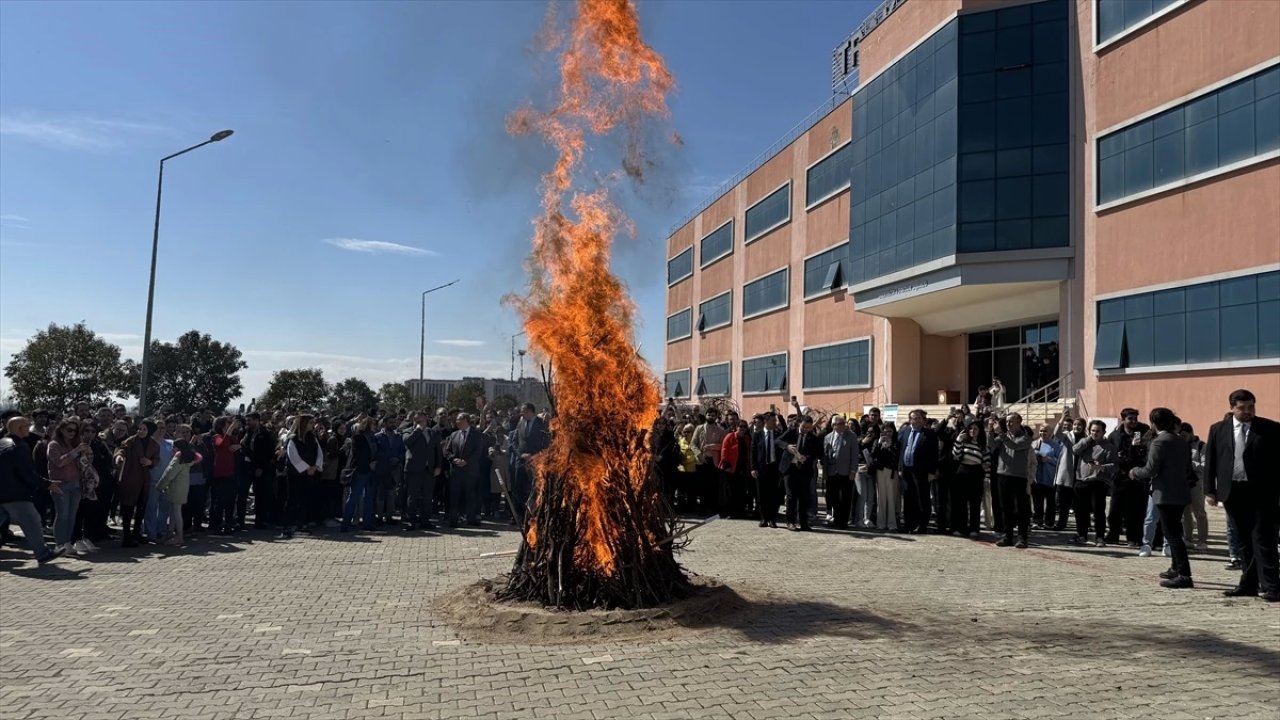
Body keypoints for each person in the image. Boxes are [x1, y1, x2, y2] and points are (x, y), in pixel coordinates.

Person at [1204, 389, 1279, 602]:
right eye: (1242, 408)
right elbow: (1211, 460)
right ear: (1232, 408)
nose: (1248, 411)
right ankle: (1248, 584)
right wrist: (1210, 490)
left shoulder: (1270, 429)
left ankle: (1273, 586)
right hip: (1233, 492)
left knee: (1263, 539)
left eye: (1251, 407)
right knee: (1243, 539)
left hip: (1262, 493)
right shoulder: (1218, 429)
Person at [1130, 408, 1195, 589]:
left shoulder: (1159, 442)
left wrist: (1135, 472)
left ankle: (1184, 574)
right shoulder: (1181, 441)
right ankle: (1175, 567)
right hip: (1181, 491)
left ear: (1153, 422)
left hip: (1165, 493)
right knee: (1174, 531)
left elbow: (1150, 470)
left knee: (1172, 534)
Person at [0, 416, 65, 565]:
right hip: (15, 494)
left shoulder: (1, 444)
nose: (29, 427)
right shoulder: (19, 446)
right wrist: (47, 484)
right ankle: (43, 554)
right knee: (32, 520)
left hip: (3, 494)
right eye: (26, 425)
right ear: (19, 429)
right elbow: (27, 472)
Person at [1107, 409, 1149, 546]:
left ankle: (1133, 538)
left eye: (1135, 418)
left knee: (1134, 510)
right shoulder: (1115, 436)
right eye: (1130, 418)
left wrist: (1139, 446)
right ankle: (1113, 534)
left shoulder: (1144, 433)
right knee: (1114, 509)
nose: (1133, 421)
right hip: (1119, 477)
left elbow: (1148, 453)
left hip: (1136, 477)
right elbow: (1109, 453)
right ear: (1123, 419)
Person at [989, 413, 1033, 548]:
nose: (1008, 424)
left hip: (1019, 476)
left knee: (1021, 509)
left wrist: (1001, 434)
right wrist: (990, 431)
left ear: (1019, 422)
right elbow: (991, 445)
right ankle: (1007, 536)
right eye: (1007, 421)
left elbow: (1014, 446)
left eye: (1011, 421)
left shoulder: (1026, 437)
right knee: (1005, 507)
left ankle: (1022, 537)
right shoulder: (1004, 436)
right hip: (1003, 475)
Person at [45, 418, 88, 555]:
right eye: (69, 430)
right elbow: (59, 462)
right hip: (60, 484)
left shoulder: (73, 444)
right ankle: (59, 544)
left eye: (74, 431)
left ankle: (67, 542)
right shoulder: (53, 444)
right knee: (62, 515)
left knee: (72, 515)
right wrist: (75, 451)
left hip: (75, 483)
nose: (72, 433)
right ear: (61, 430)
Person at [1072, 421, 1118, 546]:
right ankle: (1081, 534)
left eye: (1098, 431)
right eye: (1092, 430)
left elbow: (1114, 465)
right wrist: (1087, 439)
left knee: (1098, 511)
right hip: (1082, 480)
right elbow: (1075, 450)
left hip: (1098, 482)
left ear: (1103, 432)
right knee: (1081, 511)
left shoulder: (1109, 447)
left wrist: (1101, 467)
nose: (1095, 433)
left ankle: (1099, 537)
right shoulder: (1085, 443)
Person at [115, 420, 160, 547]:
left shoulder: (154, 444)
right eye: (139, 428)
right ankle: (127, 535)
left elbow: (156, 459)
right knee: (127, 508)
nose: (140, 431)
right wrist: (119, 457)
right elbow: (121, 449)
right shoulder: (131, 441)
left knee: (141, 508)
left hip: (144, 480)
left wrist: (150, 462)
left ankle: (136, 533)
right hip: (130, 477)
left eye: (144, 429)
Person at [156, 428, 201, 546]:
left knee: (176, 513)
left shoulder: (178, 460)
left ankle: (179, 536)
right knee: (175, 513)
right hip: (181, 488)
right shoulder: (188, 459)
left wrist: (160, 486)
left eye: (174, 447)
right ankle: (171, 533)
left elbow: (168, 475)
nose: (172, 449)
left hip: (176, 489)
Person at [897, 410, 938, 534]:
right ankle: (909, 525)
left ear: (923, 420)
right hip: (907, 470)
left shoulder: (929, 434)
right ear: (909, 419)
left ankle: (922, 525)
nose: (915, 421)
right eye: (913, 418)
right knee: (909, 499)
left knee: (922, 499)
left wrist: (932, 471)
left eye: (918, 418)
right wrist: (900, 467)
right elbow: (901, 450)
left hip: (922, 471)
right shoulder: (905, 432)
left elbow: (934, 454)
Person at [778, 415, 821, 531]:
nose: (805, 429)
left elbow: (816, 453)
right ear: (799, 424)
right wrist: (787, 447)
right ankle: (790, 522)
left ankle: (804, 523)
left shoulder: (813, 437)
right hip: (790, 468)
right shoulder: (792, 432)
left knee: (804, 497)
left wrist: (806, 458)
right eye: (803, 426)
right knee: (791, 496)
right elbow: (778, 440)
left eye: (808, 428)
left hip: (804, 469)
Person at [282, 415, 322, 539]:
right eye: (310, 422)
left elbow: (319, 453)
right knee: (292, 499)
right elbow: (292, 456)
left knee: (304, 499)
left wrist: (315, 466)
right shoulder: (293, 439)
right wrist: (306, 468)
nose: (312, 425)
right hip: (295, 474)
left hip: (309, 474)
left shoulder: (312, 438)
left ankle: (301, 524)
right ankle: (287, 526)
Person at [403, 411, 443, 531]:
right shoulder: (408, 431)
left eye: (422, 421)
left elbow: (438, 451)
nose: (420, 423)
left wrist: (438, 466)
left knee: (427, 496)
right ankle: (411, 521)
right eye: (418, 421)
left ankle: (425, 520)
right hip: (414, 469)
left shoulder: (432, 432)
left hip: (429, 470)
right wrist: (418, 430)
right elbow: (407, 442)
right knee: (412, 496)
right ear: (414, 421)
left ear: (427, 420)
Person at [445, 413, 486, 527]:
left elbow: (478, 452)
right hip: (456, 471)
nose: (456, 422)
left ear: (465, 420)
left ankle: (471, 518)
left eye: (458, 420)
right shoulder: (453, 435)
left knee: (470, 495)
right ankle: (453, 519)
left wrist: (466, 461)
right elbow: (447, 451)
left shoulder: (477, 435)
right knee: (454, 495)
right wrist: (454, 459)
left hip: (470, 470)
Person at [510, 403, 549, 522]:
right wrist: (520, 454)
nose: (522, 414)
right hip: (521, 461)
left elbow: (546, 442)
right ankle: (518, 516)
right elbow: (514, 442)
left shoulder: (541, 423)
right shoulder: (520, 423)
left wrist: (535, 456)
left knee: (534, 488)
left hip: (535, 461)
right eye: (522, 411)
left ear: (531, 411)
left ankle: (534, 515)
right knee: (518, 488)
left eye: (525, 411)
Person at [951, 420, 987, 538]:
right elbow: (955, 455)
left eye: (975, 429)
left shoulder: (983, 445)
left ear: (980, 431)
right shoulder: (963, 442)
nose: (973, 431)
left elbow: (987, 463)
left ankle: (974, 529)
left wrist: (987, 477)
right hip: (962, 472)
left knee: (975, 503)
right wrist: (958, 440)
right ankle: (961, 528)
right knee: (961, 503)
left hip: (976, 473)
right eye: (971, 429)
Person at [822, 415, 858, 529]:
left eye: (844, 423)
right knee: (833, 497)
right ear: (834, 426)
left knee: (846, 498)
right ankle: (837, 520)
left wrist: (853, 471)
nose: (844, 425)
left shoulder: (851, 436)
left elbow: (854, 455)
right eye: (841, 423)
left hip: (846, 472)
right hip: (833, 472)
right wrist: (825, 471)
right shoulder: (828, 437)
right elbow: (825, 456)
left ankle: (843, 522)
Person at [342, 419, 378, 532]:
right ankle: (345, 524)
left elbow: (377, 451)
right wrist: (369, 464)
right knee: (353, 497)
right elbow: (357, 455)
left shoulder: (374, 437)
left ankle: (367, 523)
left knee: (369, 498)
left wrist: (375, 462)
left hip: (372, 471)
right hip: (360, 470)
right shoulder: (357, 437)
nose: (375, 427)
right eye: (373, 424)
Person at [1179, 422, 1208, 551]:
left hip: (1196, 482)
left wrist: (1190, 463)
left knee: (1199, 512)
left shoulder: (1201, 446)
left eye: (1184, 436)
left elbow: (1205, 465)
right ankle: (1188, 538)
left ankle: (1202, 540)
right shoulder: (1178, 445)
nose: (1183, 438)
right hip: (1182, 482)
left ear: (1191, 434)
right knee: (1185, 513)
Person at [750, 413, 783, 528]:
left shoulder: (778, 434)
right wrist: (753, 468)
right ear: (766, 421)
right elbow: (753, 452)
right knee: (762, 495)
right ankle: (764, 518)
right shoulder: (757, 435)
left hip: (774, 468)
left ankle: (772, 519)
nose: (775, 423)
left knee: (774, 495)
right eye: (773, 421)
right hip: (761, 469)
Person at [868, 425, 900, 532]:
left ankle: (892, 523)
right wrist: (879, 444)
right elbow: (872, 455)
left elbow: (897, 457)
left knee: (891, 498)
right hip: (880, 471)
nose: (887, 434)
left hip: (892, 472)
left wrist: (890, 445)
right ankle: (881, 523)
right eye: (885, 431)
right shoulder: (877, 441)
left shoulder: (896, 442)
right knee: (880, 498)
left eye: (890, 431)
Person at [719, 419, 752, 520]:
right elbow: (724, 450)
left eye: (744, 427)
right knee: (729, 491)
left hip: (742, 468)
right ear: (736, 427)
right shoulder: (730, 436)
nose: (742, 428)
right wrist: (726, 465)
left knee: (741, 491)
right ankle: (729, 512)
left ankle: (740, 511)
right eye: (740, 426)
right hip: (730, 468)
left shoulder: (747, 438)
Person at [1031, 424, 1061, 529]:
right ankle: (1037, 521)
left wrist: (1048, 460)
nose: (1043, 433)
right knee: (1037, 501)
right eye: (1041, 431)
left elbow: (1060, 462)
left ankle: (1049, 522)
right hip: (1036, 477)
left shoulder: (1056, 446)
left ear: (1051, 432)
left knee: (1050, 502)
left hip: (1050, 478)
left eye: (1045, 431)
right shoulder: (1033, 444)